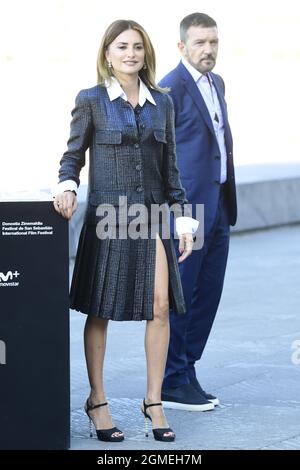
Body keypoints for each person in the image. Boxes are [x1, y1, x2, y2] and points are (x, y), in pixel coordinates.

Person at [53, 19, 198, 442]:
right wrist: (66, 187)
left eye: (137, 46)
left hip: (150, 215)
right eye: (122, 46)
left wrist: (185, 219)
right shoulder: (92, 100)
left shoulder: (163, 104)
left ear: (146, 54)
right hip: (108, 215)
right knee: (101, 308)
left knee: (159, 304)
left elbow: (171, 169)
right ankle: (98, 399)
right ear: (108, 54)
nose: (131, 53)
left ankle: (153, 401)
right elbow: (71, 156)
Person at [159, 13, 237, 411]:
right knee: (183, 296)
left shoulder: (216, 82)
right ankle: (171, 380)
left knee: (208, 294)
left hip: (220, 205)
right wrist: (178, 215)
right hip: (189, 213)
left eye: (214, 42)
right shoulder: (170, 89)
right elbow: (165, 157)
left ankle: (187, 369)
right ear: (182, 47)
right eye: (200, 43)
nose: (208, 50)